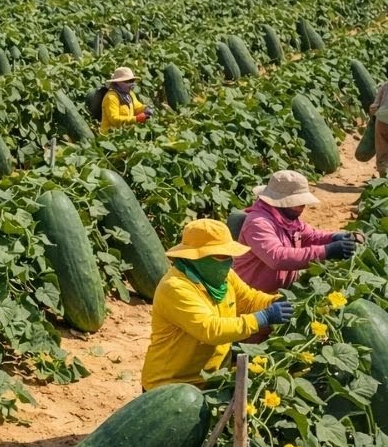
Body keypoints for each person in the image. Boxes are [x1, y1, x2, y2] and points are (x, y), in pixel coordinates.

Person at [141, 219, 291, 391]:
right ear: (197, 256)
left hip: (210, 380)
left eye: (229, 255)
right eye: (221, 256)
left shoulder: (224, 277)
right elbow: (210, 329)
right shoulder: (175, 287)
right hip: (169, 385)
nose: (228, 261)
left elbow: (249, 299)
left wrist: (275, 301)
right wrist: (262, 318)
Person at [234, 170, 362, 294]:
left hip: (279, 292)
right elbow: (277, 257)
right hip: (251, 298)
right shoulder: (258, 223)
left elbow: (311, 236)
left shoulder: (288, 218)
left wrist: (335, 237)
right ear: (280, 202)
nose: (303, 207)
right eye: (298, 203)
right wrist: (327, 251)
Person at [99, 67, 150, 134]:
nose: (131, 84)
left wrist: (145, 108)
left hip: (125, 132)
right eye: (127, 81)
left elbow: (136, 106)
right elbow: (114, 120)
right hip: (110, 134)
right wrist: (136, 119)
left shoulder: (130, 94)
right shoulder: (111, 97)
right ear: (118, 82)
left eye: (132, 81)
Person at [369, 71, 388, 177]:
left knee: (382, 147)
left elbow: (374, 106)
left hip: (382, 120)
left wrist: (372, 117)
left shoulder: (384, 86)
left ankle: (383, 174)